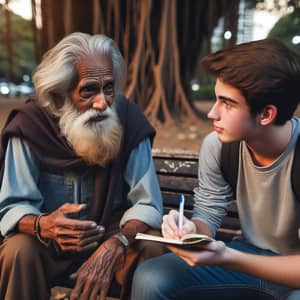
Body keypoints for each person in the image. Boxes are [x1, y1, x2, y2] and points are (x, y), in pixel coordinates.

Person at [131, 38, 300, 300]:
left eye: (228, 103)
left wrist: (229, 258)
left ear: (266, 114)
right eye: (215, 99)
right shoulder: (219, 146)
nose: (212, 113)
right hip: (249, 257)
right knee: (151, 278)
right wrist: (188, 230)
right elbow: (207, 215)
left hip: (290, 271)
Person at [0, 32, 164, 300]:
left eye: (108, 88)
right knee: (18, 251)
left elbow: (147, 204)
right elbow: (13, 206)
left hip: (111, 237)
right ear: (60, 94)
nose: (102, 103)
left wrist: (118, 242)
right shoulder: (29, 127)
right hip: (48, 242)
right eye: (88, 90)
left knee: (153, 250)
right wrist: (44, 225)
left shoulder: (129, 121)